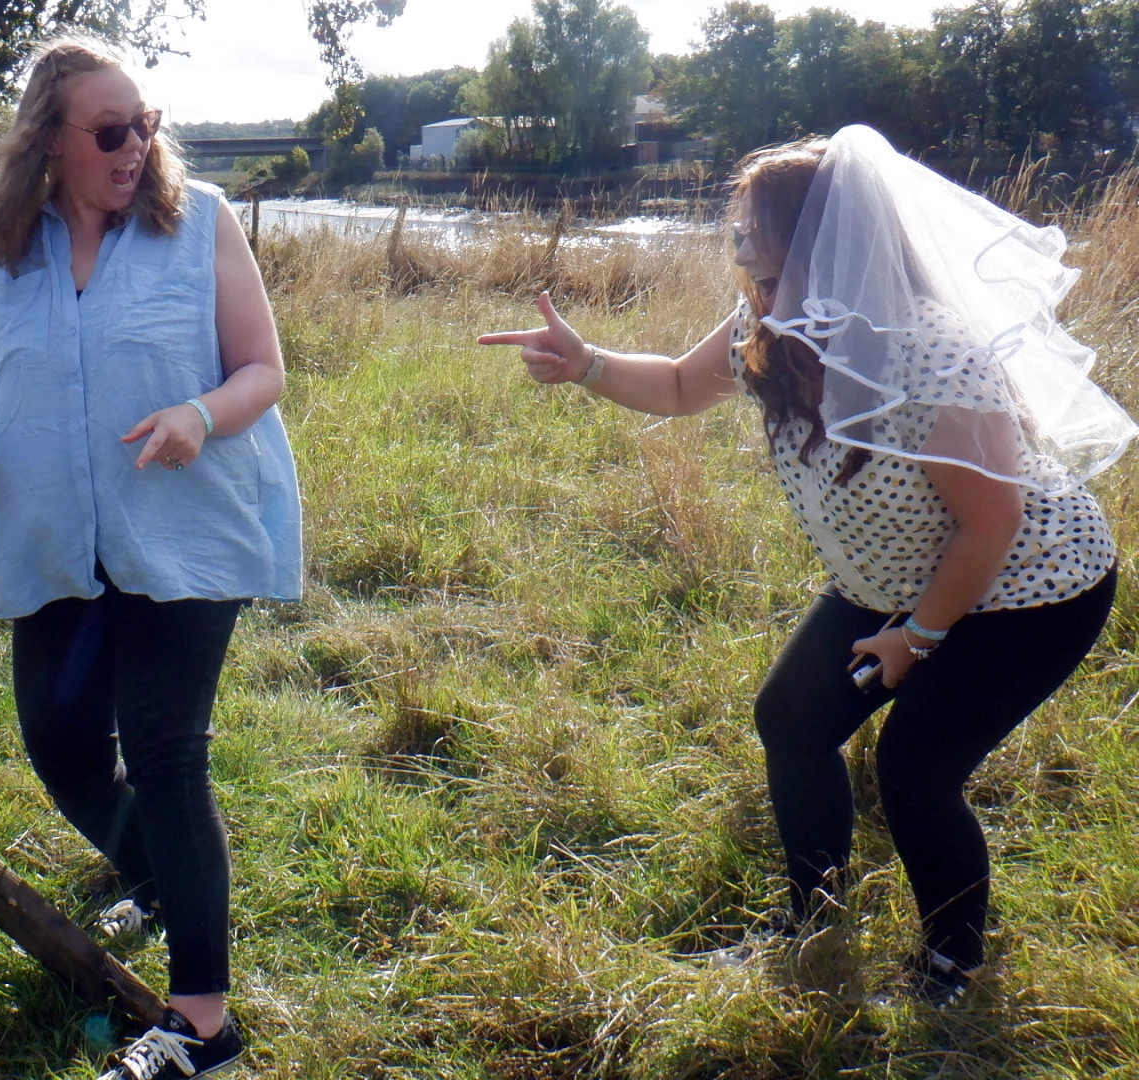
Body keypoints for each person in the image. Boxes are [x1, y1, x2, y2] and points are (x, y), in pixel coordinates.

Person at [479, 125, 1133, 1004]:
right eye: (740, 235)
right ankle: (811, 920)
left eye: (757, 234)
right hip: (895, 581)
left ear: (829, 239)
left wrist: (918, 638)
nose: (742, 251)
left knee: (915, 768)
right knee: (791, 718)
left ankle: (954, 965)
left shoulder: (933, 352)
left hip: (1028, 589)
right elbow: (678, 385)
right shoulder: (773, 317)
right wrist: (587, 362)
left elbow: (993, 522)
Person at [0, 34, 301, 1079]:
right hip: (54, 542)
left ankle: (202, 1031)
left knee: (167, 751)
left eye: (148, 125)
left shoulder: (202, 223)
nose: (137, 148)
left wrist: (200, 414)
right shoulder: (6, 254)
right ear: (50, 143)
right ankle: (161, 874)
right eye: (112, 131)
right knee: (61, 745)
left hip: (184, 534)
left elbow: (264, 370)